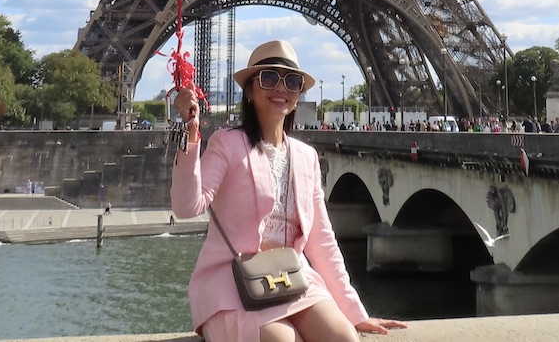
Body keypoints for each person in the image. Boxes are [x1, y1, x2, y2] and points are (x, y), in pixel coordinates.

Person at [171, 39, 407, 341]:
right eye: (269, 78)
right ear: (250, 90)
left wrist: (355, 313)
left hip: (291, 278)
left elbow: (322, 241)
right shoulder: (227, 143)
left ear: (298, 95)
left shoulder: (305, 156)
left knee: (345, 337)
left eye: (292, 81)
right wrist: (190, 135)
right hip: (232, 285)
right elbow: (187, 207)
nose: (281, 88)